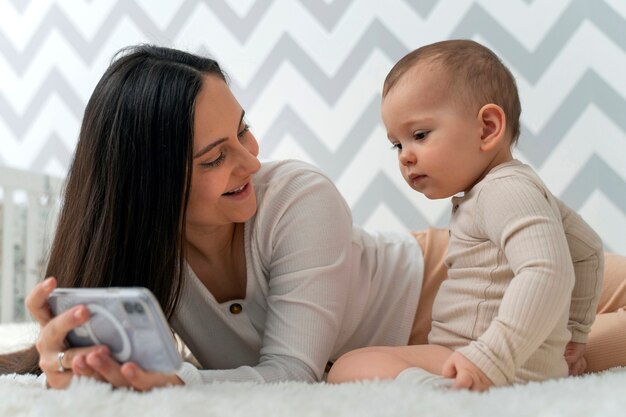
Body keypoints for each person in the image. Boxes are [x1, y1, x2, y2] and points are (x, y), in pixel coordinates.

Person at [0, 44, 624, 392]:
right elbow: (150, 368)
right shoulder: (141, 256)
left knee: (561, 352)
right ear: (151, 186)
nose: (251, 158)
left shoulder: (297, 196)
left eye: (242, 129)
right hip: (444, 305)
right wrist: (70, 362)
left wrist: (563, 334)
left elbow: (291, 375)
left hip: (456, 276)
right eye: (217, 156)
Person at [326, 39, 609, 391]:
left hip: (485, 361)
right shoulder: (511, 188)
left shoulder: (503, 191)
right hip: (485, 358)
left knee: (349, 365)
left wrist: (491, 358)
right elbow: (587, 250)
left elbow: (547, 270)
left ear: (488, 128)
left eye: (419, 135)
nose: (405, 156)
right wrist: (575, 336)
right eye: (398, 144)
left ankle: (438, 393)